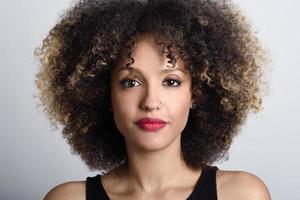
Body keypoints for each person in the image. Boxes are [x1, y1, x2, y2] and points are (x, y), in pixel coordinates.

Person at [35, 0, 271, 199]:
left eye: (171, 82)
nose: (150, 101)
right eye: (131, 82)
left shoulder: (242, 194)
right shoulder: (67, 198)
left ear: (195, 94)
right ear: (104, 94)